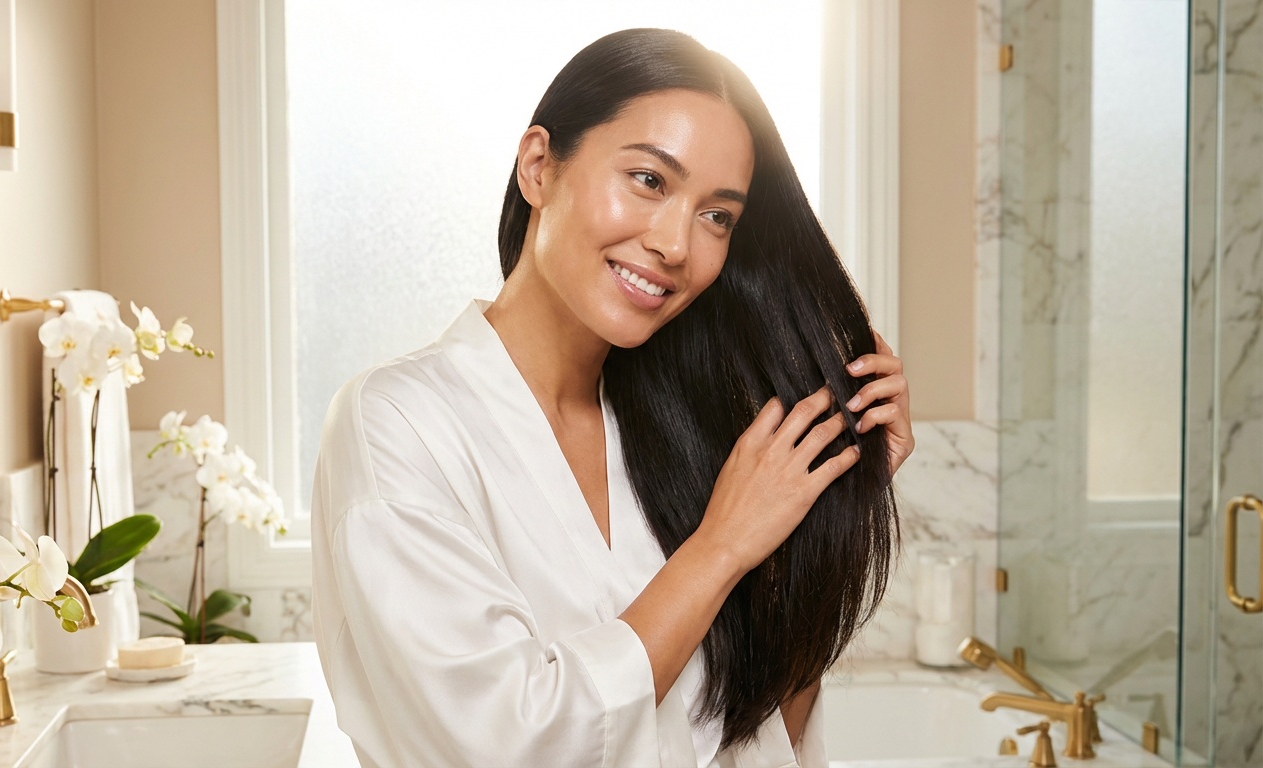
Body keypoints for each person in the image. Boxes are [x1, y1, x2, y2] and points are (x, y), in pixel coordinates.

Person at [312, 28, 913, 768]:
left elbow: (757, 736)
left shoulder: (685, 437)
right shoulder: (397, 425)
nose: (676, 245)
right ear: (538, 166)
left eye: (717, 215)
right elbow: (502, 746)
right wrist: (720, 548)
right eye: (650, 181)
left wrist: (837, 510)